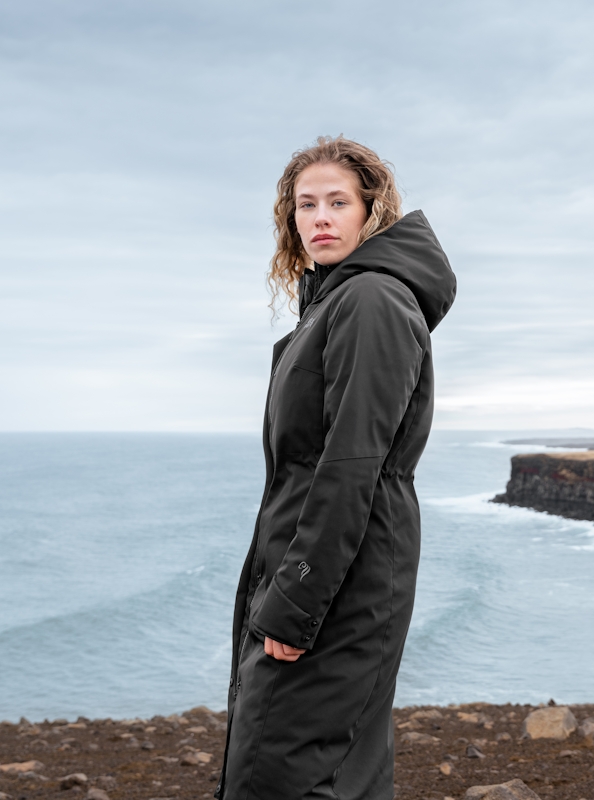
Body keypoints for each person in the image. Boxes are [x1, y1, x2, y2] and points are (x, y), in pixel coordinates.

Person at [215, 136, 456, 799]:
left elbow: (353, 462)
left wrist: (295, 603)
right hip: (341, 571)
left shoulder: (372, 300)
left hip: (340, 583)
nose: (320, 217)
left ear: (371, 211)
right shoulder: (336, 304)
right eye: (306, 204)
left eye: (338, 202)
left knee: (279, 770)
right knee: (336, 770)